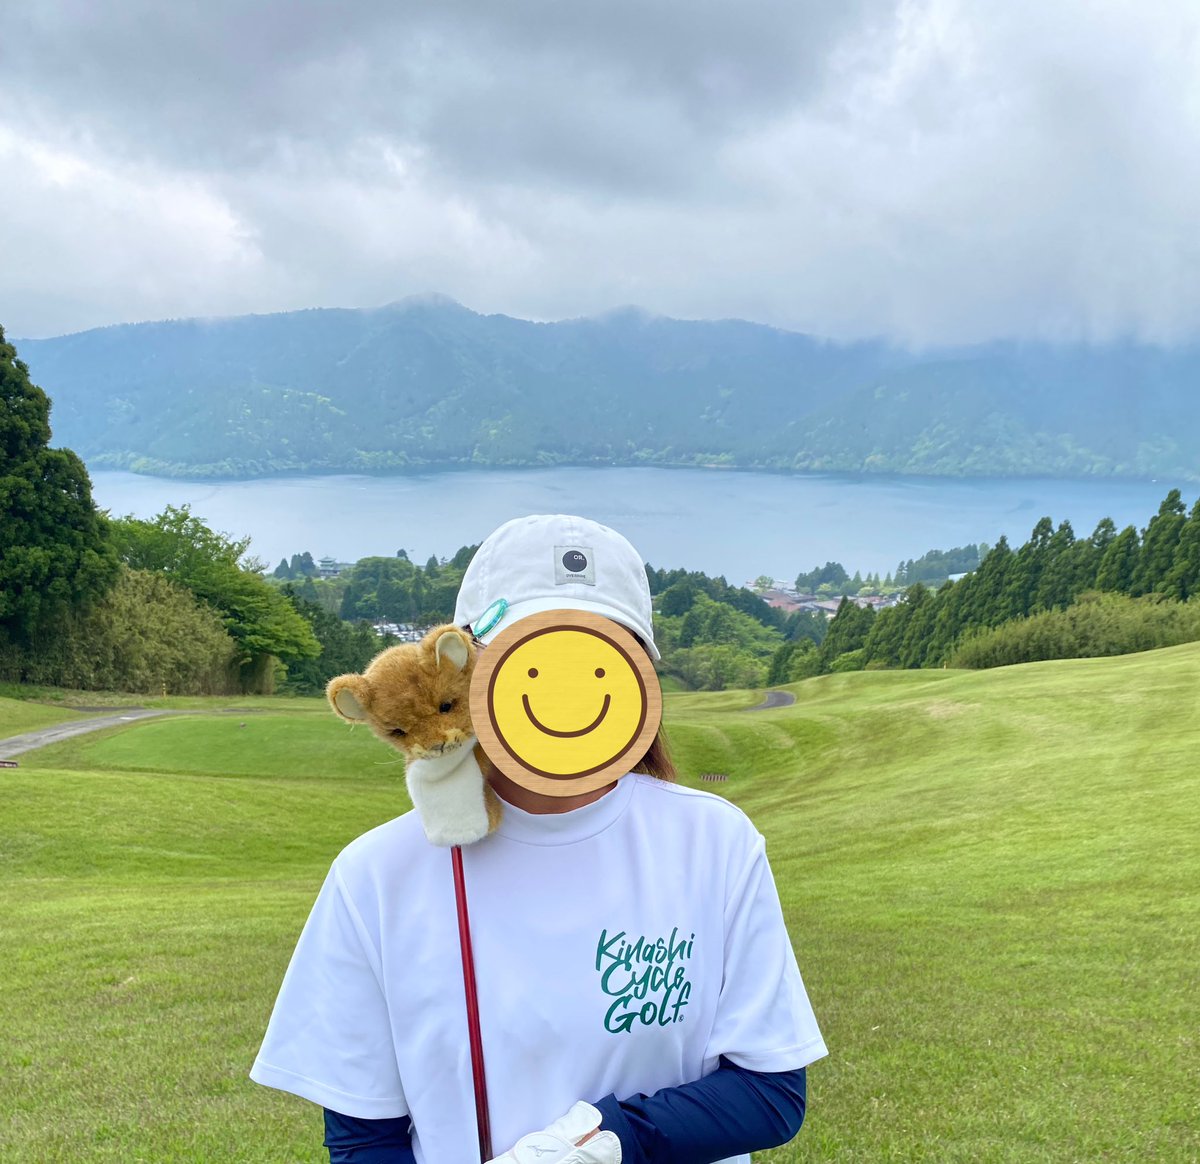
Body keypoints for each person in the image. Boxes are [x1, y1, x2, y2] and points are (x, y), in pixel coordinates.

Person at [251, 514, 827, 1163]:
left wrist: (610, 1141)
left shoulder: (714, 842)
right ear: (464, 669)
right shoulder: (377, 875)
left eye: (594, 656)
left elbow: (771, 1090)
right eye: (530, 656)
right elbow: (364, 1138)